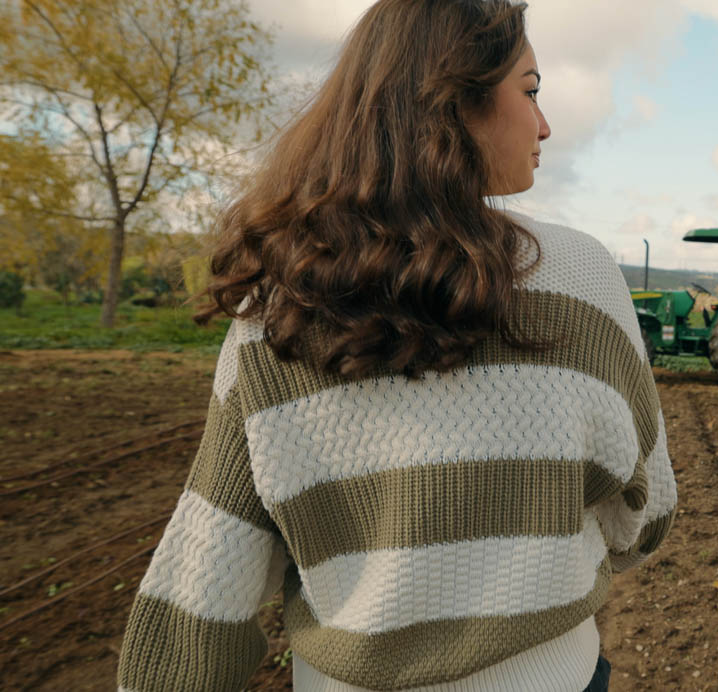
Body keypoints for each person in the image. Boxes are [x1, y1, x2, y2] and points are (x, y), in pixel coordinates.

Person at [115, 1, 676, 690]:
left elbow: (205, 582)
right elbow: (643, 518)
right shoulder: (583, 276)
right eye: (529, 91)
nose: (546, 124)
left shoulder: (276, 309)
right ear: (457, 102)